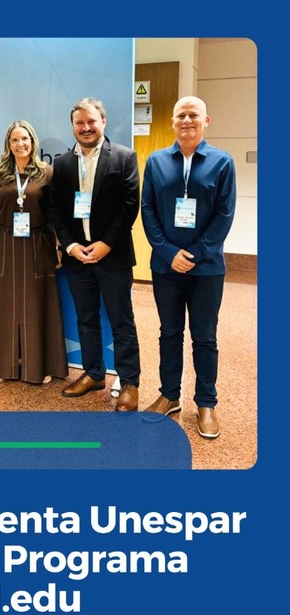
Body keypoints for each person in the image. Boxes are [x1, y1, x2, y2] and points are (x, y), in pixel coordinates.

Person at [141, 96, 237, 439]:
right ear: (172, 121)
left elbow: (224, 214)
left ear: (205, 120)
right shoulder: (156, 161)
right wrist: (169, 253)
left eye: (193, 115)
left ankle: (206, 403)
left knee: (204, 336)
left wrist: (194, 254)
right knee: (169, 332)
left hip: (206, 268)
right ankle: (169, 395)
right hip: (165, 266)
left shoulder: (222, 162)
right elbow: (148, 209)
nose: (186, 120)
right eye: (180, 115)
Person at [49, 96, 141, 411]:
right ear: (73, 126)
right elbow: (56, 210)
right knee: (86, 319)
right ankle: (93, 374)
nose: (86, 127)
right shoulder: (62, 163)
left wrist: (106, 244)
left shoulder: (124, 157)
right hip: (78, 258)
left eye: (91, 121)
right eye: (80, 123)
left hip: (112, 256)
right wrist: (70, 246)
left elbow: (129, 205)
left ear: (103, 121)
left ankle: (129, 382)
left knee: (121, 321)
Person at [0, 120, 68, 385]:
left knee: (37, 304)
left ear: (33, 141)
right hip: (4, 243)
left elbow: (55, 214)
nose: (20, 144)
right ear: (8, 144)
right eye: (15, 140)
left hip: (37, 243)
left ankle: (38, 366)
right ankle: (2, 366)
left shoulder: (46, 173)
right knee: (3, 306)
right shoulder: (0, 173)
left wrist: (59, 246)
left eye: (25, 139)